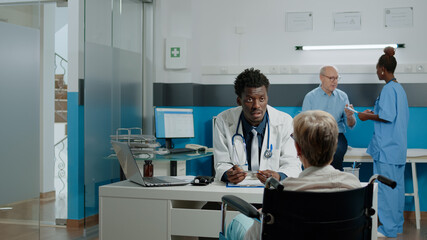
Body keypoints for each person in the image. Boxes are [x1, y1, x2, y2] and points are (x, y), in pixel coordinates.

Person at [226, 110, 361, 240]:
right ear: (335, 146)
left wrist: (263, 215)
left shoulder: (283, 192)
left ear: (298, 149)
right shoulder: (353, 185)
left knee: (237, 222)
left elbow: (253, 238)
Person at [213, 68, 301, 184]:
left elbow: (292, 163)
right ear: (239, 101)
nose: (256, 105)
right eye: (249, 99)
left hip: (272, 191)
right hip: (237, 190)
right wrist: (228, 174)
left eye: (262, 99)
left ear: (267, 98)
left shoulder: (284, 122)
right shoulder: (223, 120)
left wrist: (279, 176)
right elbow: (221, 163)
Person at [358, 46, 409, 238]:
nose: (376, 72)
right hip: (397, 148)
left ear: (381, 69)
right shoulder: (399, 89)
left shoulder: (388, 89)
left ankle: (387, 229)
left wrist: (366, 116)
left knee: (386, 191)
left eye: (376, 69)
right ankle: (395, 227)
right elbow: (392, 116)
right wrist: (373, 114)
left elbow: (387, 116)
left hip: (387, 150)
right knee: (397, 190)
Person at [302, 65, 356, 171]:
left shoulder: (343, 96)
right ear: (321, 78)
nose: (334, 81)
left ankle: (335, 183)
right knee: (314, 155)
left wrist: (349, 117)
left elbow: (351, 125)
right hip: (316, 135)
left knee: (335, 153)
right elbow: (304, 123)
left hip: (337, 135)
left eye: (336, 78)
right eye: (331, 78)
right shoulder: (310, 97)